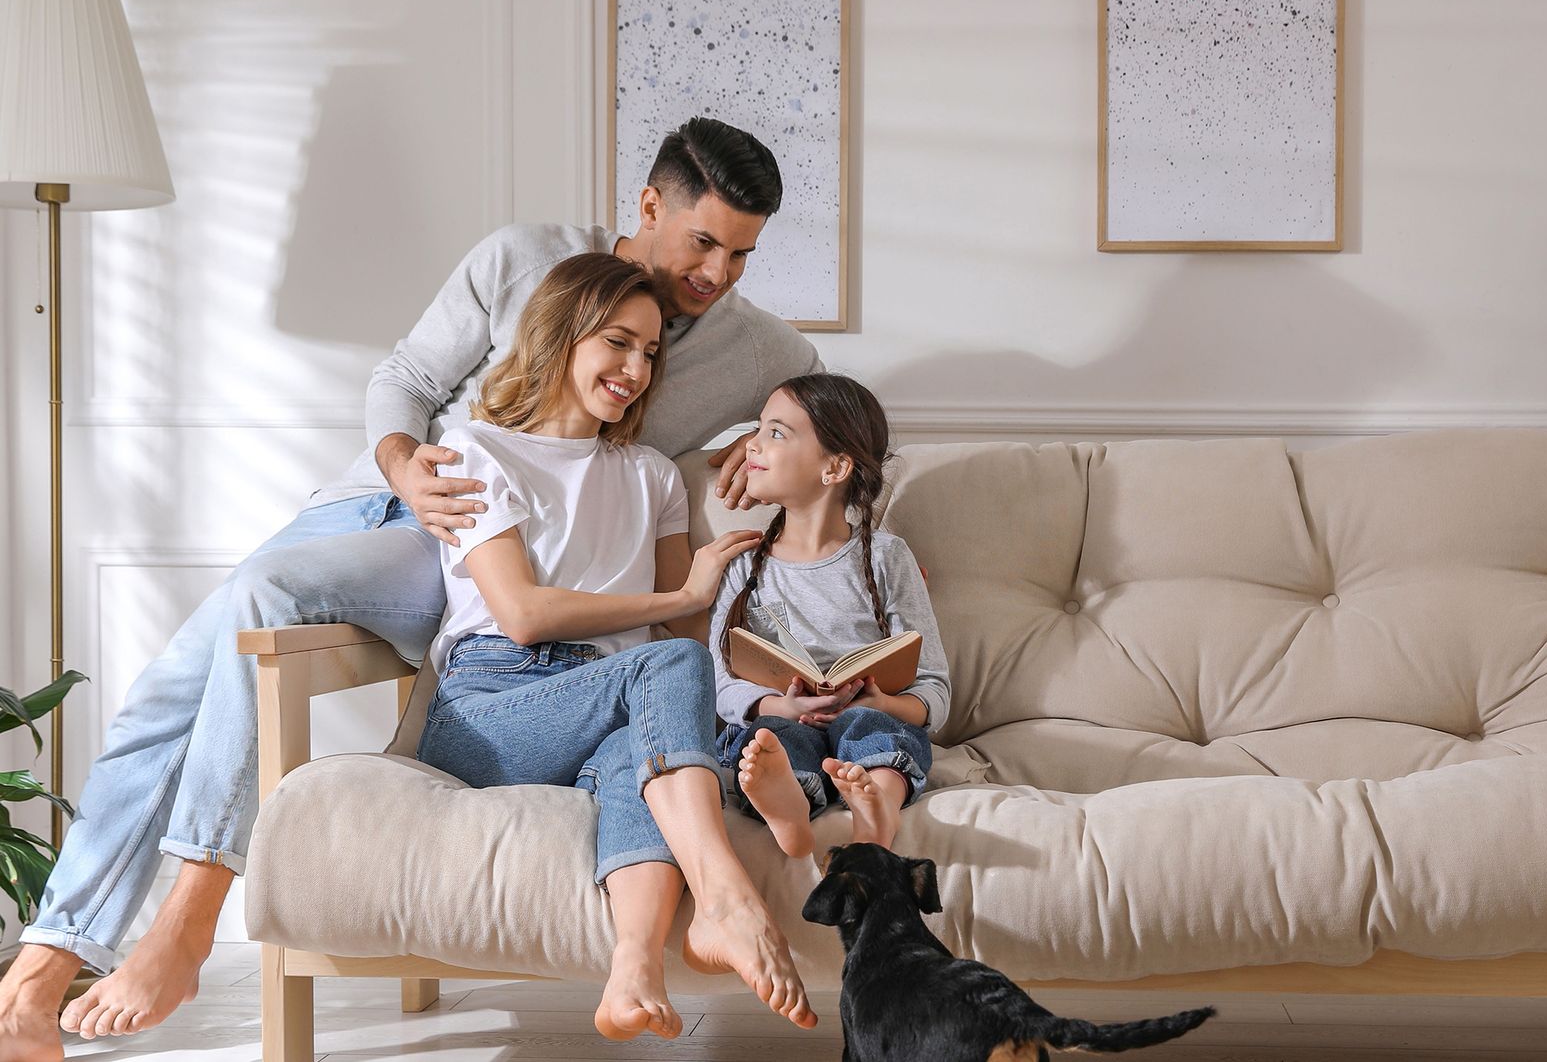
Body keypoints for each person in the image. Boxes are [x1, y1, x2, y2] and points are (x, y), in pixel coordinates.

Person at [0, 116, 821, 1060]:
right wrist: (403, 467)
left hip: (483, 558)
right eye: (704, 242)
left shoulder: (748, 347)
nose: (717, 274)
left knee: (259, 601)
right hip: (395, 507)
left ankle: (157, 927)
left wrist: (760, 448)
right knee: (181, 681)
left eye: (741, 255)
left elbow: (822, 403)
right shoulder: (524, 258)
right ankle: (57, 965)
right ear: (649, 204)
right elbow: (407, 378)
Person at [412, 252, 812, 1039]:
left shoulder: (652, 475)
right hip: (491, 708)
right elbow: (522, 614)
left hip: (613, 699)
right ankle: (724, 895)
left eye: (651, 353)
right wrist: (683, 599)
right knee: (662, 672)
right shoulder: (476, 452)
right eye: (618, 343)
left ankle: (635, 970)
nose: (635, 370)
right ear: (561, 335)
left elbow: (689, 637)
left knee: (646, 751)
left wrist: (790, 670)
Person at [711, 375, 950, 858]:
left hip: (869, 715)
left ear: (835, 467)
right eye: (759, 428)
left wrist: (887, 703)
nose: (751, 444)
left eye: (776, 433)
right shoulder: (742, 566)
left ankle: (878, 805)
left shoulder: (888, 557)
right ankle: (789, 808)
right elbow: (721, 682)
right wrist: (778, 706)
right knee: (770, 742)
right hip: (783, 719)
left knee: (871, 727)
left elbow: (934, 686)